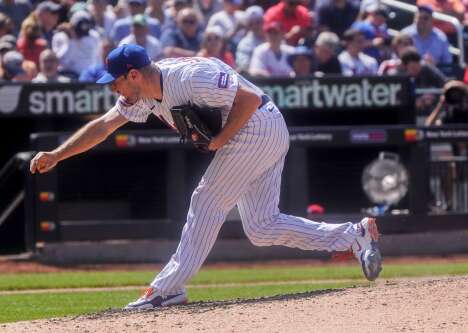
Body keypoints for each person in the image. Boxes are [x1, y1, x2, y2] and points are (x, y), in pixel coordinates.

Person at [30, 43, 383, 309]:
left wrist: (219, 140)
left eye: (116, 82)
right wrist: (59, 154)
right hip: (262, 131)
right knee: (261, 227)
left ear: (134, 74)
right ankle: (354, 237)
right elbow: (103, 126)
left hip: (257, 125)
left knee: (207, 200)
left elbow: (247, 99)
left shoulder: (189, 76)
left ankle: (168, 288)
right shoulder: (141, 96)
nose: (114, 89)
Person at [52, 10, 103, 77]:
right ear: (71, 25)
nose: (82, 29)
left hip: (89, 76)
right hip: (68, 75)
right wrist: (71, 40)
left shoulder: (94, 36)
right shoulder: (60, 37)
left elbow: (98, 58)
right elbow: (60, 60)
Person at [235, 5, 265, 74]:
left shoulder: (273, 36)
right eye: (251, 23)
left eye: (258, 22)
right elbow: (243, 67)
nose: (255, 26)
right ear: (248, 25)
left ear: (263, 21)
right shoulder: (245, 43)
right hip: (255, 80)